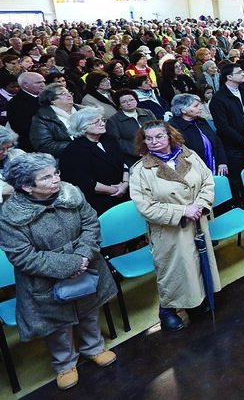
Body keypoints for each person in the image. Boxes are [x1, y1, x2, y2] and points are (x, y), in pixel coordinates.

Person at [0, 153, 118, 390]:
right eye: (46, 177)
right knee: (57, 325)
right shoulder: (10, 215)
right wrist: (70, 265)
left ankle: (93, 348)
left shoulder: (71, 192)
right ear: (26, 186)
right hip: (45, 280)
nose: (56, 179)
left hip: (86, 264)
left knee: (89, 310)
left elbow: (91, 224)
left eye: (56, 173)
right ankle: (65, 364)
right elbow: (23, 256)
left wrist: (83, 256)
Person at [129, 120, 220, 333]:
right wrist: (182, 211)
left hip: (197, 220)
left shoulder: (189, 155)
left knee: (196, 264)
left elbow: (208, 181)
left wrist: (199, 205)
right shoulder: (141, 170)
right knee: (173, 270)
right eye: (148, 138)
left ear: (169, 136)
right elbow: (145, 206)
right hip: (170, 229)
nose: (153, 141)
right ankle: (167, 310)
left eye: (159, 136)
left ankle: (195, 303)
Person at [209, 63, 244, 213]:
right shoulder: (219, 99)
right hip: (233, 147)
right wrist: (243, 141)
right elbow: (223, 127)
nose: (243, 74)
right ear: (229, 77)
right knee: (236, 179)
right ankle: (240, 207)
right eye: (239, 72)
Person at [59, 108, 129, 216]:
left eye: (102, 120)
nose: (102, 124)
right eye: (97, 122)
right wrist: (112, 190)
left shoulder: (109, 139)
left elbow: (123, 163)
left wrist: (125, 184)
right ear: (83, 127)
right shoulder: (74, 150)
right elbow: (83, 182)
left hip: (123, 195)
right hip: (99, 203)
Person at [167, 94, 228, 176]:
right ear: (183, 110)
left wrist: (222, 162)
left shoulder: (201, 121)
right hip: (192, 173)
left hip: (213, 168)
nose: (200, 108)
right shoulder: (172, 127)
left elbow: (217, 141)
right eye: (195, 106)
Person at [106, 89, 156, 167]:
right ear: (119, 105)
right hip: (133, 157)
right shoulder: (113, 121)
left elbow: (158, 128)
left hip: (156, 150)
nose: (129, 103)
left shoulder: (147, 112)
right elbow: (116, 141)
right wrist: (138, 151)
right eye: (124, 102)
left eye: (131, 100)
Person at [30, 84, 79, 158]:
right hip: (67, 157)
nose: (69, 95)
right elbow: (44, 145)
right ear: (52, 100)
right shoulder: (42, 118)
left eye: (69, 92)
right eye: (63, 93)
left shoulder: (83, 110)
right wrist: (77, 145)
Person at [0, 127, 25, 199]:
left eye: (8, 148)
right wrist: (1, 191)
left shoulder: (18, 154)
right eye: (1, 149)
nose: (6, 153)